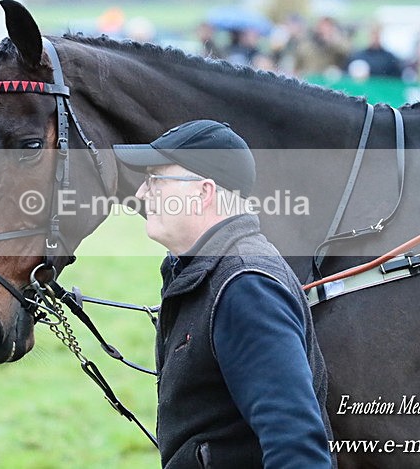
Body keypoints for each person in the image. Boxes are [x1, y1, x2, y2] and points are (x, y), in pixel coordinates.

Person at [113, 120, 333, 468]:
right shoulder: (203, 271)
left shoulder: (247, 288)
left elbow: (297, 450)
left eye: (155, 179)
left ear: (203, 193)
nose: (141, 193)